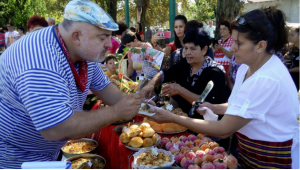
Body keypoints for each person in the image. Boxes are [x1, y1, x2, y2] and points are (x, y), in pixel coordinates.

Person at [144, 6, 299, 169]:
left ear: (260, 46)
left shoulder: (266, 79)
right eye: (233, 41)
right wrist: (214, 108)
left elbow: (224, 129)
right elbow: (239, 105)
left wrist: (172, 117)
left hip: (271, 159)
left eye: (238, 43)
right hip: (248, 152)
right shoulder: (247, 67)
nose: (231, 48)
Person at [0, 0, 146, 168]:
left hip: (47, 154)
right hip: (16, 159)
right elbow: (57, 128)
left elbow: (105, 88)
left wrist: (134, 103)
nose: (109, 44)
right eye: (103, 37)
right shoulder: (40, 60)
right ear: (77, 36)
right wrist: (117, 111)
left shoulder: (81, 51)